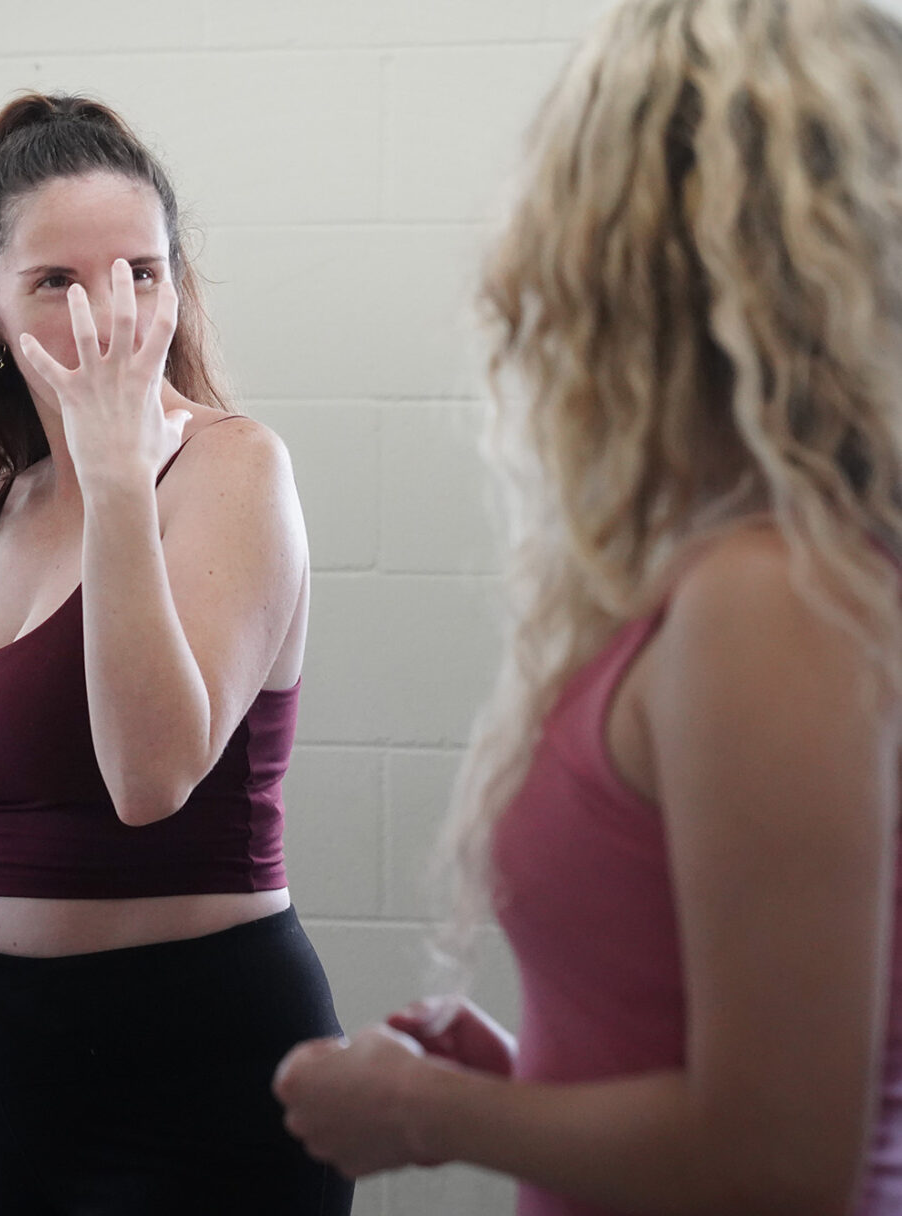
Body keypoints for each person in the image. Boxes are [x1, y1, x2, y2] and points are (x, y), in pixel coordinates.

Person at [273, 1, 902, 1213]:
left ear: (636, 246)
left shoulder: (770, 596)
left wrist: (424, 1111)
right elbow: (726, 1071)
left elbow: (782, 1160)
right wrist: (534, 1087)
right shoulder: (761, 566)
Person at [0, 92, 353, 1216]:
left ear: (177, 288)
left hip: (208, 1061)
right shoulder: (2, 501)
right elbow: (38, 806)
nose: (108, 311)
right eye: (56, 280)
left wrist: (114, 482)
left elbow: (150, 782)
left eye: (143, 270)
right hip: (20, 1068)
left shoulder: (235, 469)